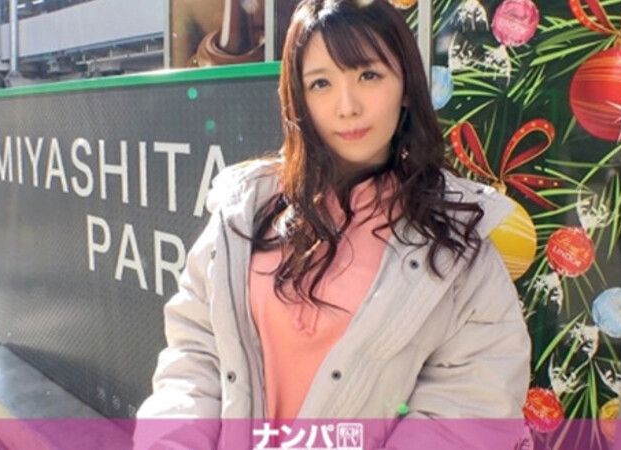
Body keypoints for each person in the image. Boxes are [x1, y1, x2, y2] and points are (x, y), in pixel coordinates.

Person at [136, 0, 531, 448]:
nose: (347, 107)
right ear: (298, 98)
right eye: (321, 83)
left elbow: (469, 411)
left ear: (405, 85)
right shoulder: (245, 209)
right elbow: (194, 356)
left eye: (368, 75)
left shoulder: (457, 242)